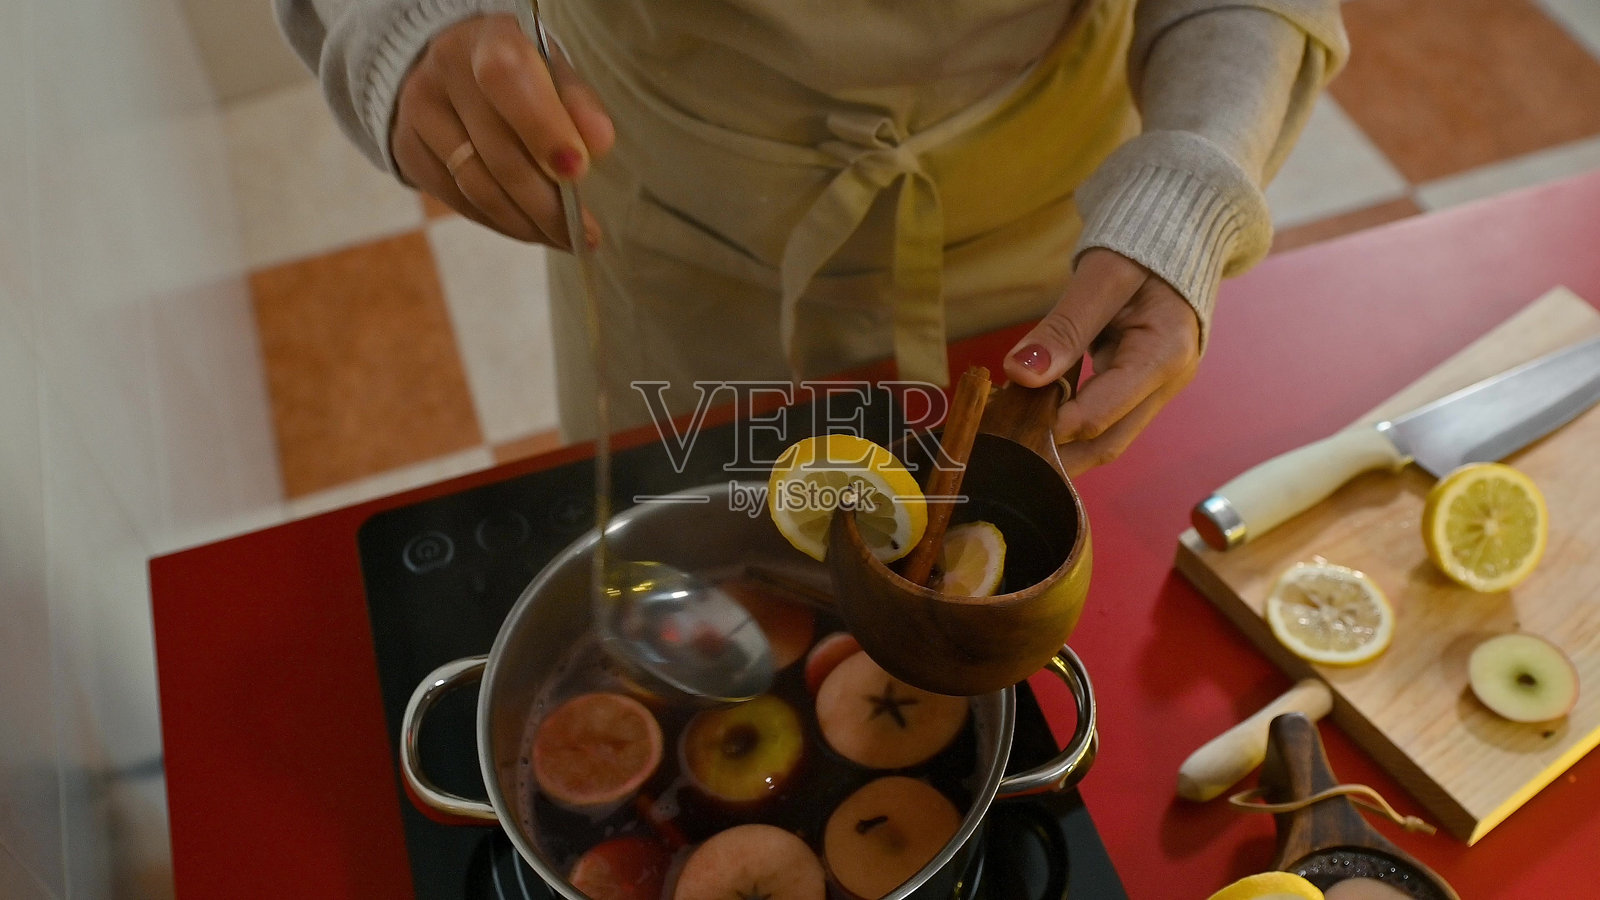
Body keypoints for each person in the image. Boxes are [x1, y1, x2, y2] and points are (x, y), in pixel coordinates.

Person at [275, 0, 1346, 474]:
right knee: (700, 564)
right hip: (679, 249)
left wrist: (1193, 179)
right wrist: (397, 23)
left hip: (1061, 245)